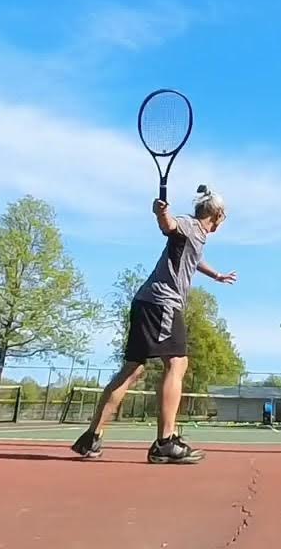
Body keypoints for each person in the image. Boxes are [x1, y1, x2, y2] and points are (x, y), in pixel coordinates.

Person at [71, 185, 236, 463]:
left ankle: (91, 438)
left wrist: (216, 275)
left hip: (145, 301)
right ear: (217, 215)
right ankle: (165, 441)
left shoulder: (195, 237)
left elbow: (193, 259)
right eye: (224, 216)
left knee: (133, 369)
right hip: (163, 303)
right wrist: (162, 213)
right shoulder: (189, 225)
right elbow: (170, 226)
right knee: (177, 363)